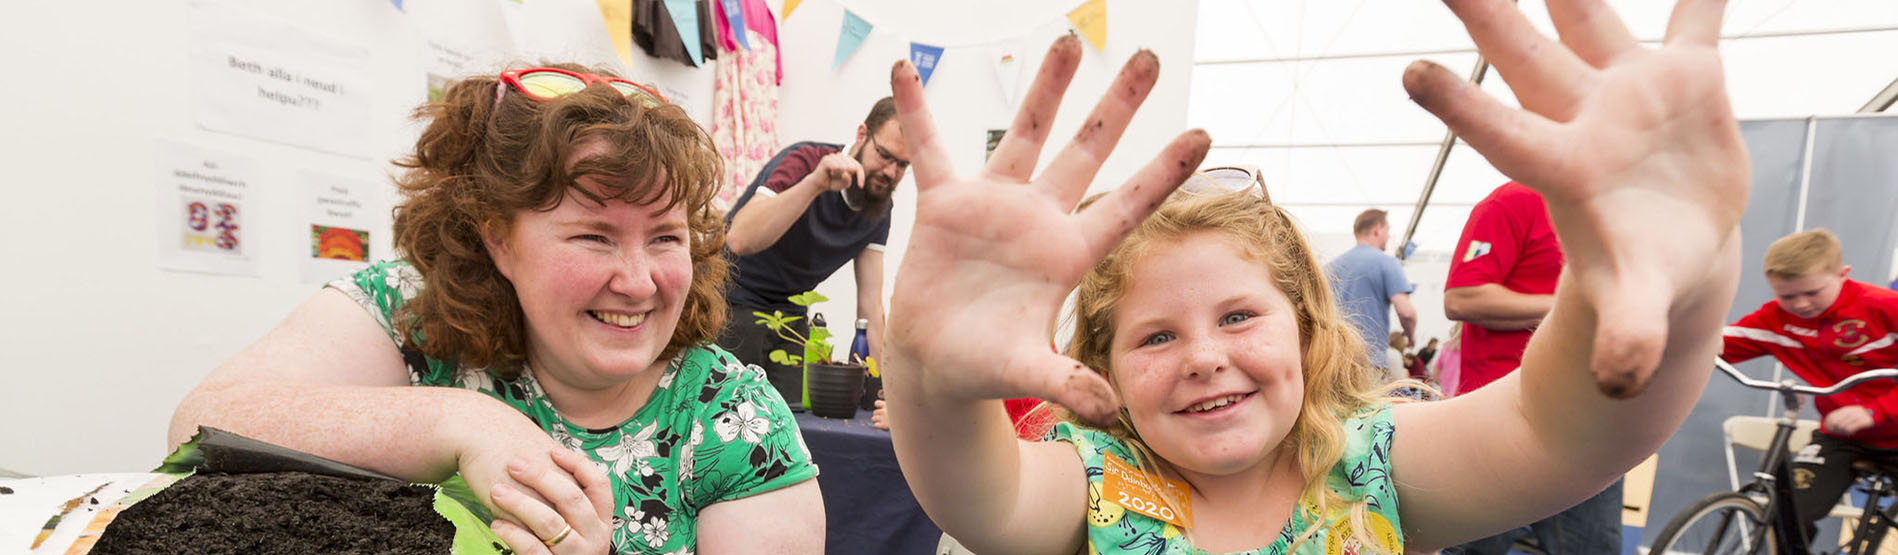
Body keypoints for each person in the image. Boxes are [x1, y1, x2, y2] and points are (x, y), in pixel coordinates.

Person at [880, 0, 1749, 551]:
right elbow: (979, 499)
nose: (1202, 356)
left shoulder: (1373, 465)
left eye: (1236, 316)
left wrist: (1695, 267)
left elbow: (1563, 429)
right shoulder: (1093, 484)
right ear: (1100, 368)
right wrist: (928, 372)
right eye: (1155, 335)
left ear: (1304, 324)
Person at [168, 65, 822, 554]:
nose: (638, 280)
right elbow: (205, 421)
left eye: (666, 236)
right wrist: (459, 421)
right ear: (498, 239)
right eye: (594, 235)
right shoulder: (411, 315)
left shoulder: (735, 421)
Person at [718, 97, 907, 405]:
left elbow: (871, 308)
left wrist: (887, 386)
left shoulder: (879, 209)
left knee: (790, 423)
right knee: (733, 419)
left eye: (903, 165)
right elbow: (738, 239)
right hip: (729, 298)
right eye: (884, 155)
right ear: (862, 134)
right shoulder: (804, 162)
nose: (890, 172)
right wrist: (814, 185)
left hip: (790, 315)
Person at [1721, 229, 1898, 541]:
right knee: (1785, 513)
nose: (1801, 305)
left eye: (1813, 292)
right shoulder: (1774, 319)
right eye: (1787, 296)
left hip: (1887, 423)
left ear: (1843, 275)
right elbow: (1713, 345)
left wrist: (1875, 411)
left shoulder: (1884, 307)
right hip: (1843, 436)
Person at [1328, 209, 1419, 371]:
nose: (1389, 236)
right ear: (1377, 229)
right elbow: (1406, 312)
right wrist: (1410, 336)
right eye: (1388, 230)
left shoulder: (1330, 268)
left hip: (1334, 363)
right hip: (1369, 363)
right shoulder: (1387, 263)